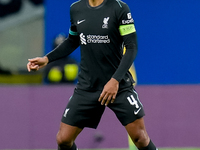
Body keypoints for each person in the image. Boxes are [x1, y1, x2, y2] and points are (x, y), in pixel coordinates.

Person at [27, 0, 158, 150]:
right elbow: (72, 40)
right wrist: (47, 59)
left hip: (118, 86)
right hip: (87, 86)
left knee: (140, 138)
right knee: (63, 139)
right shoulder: (76, 8)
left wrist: (115, 80)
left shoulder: (119, 8)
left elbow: (132, 47)